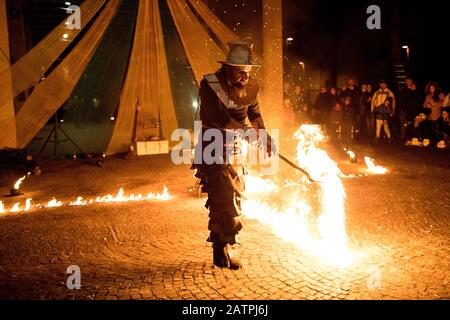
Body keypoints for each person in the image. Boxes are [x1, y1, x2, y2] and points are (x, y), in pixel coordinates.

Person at [192, 41, 276, 270]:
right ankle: (219, 249)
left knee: (233, 200)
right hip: (214, 148)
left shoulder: (251, 87)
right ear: (228, 68)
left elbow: (255, 115)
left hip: (237, 151)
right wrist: (247, 132)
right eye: (240, 71)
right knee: (224, 198)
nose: (245, 77)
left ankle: (224, 246)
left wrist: (265, 137)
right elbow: (219, 119)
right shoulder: (209, 85)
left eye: (248, 72)